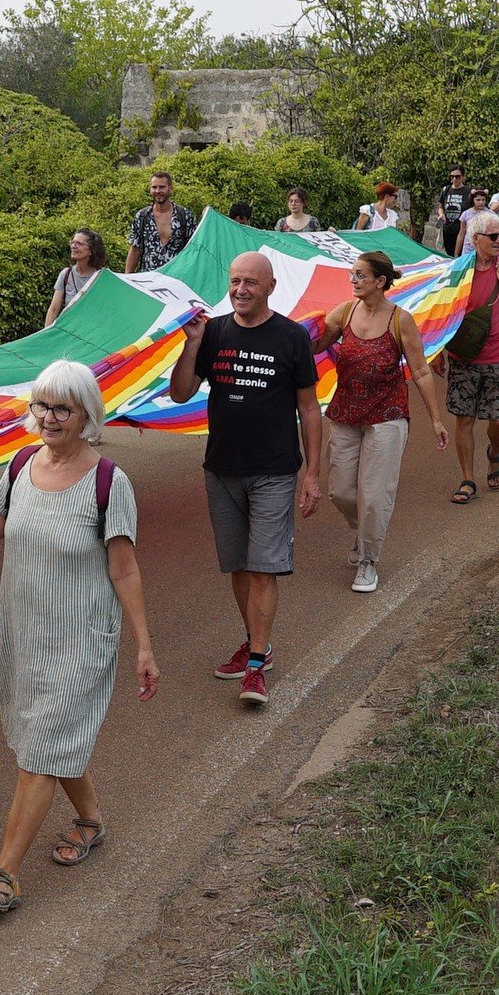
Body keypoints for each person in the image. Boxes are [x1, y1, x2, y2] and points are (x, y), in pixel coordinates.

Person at [0, 361, 158, 915]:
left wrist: (144, 647)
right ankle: (91, 820)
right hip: (26, 630)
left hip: (81, 638)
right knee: (50, 735)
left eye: (63, 408)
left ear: (87, 415)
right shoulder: (19, 465)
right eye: (41, 406)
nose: (49, 418)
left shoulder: (110, 482)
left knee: (39, 747)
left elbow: (125, 569)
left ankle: (5, 872)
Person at [167, 253, 322, 706]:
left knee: (262, 567)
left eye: (250, 283)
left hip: (274, 470)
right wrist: (192, 342)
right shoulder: (213, 332)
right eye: (235, 281)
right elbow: (180, 393)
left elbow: (309, 409)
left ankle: (255, 665)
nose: (240, 290)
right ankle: (259, 643)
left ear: (270, 286)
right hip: (221, 469)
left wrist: (312, 473)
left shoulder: (291, 337)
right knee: (237, 565)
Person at [311, 252, 449, 594]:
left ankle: (368, 560)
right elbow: (313, 345)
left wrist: (435, 419)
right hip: (345, 413)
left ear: (380, 281)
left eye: (360, 275)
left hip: (387, 415)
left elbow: (419, 370)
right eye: (352, 274)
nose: (353, 280)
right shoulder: (344, 313)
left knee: (375, 494)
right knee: (340, 490)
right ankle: (364, 532)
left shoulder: (400, 320)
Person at [436, 212, 499, 501]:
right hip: (463, 357)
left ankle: (495, 451)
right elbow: (443, 312)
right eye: (494, 236)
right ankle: (467, 480)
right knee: (464, 418)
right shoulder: (458, 270)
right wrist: (437, 350)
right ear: (476, 239)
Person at [125, 172, 196, 273]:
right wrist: (127, 278)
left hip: (177, 279)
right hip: (148, 281)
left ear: (170, 189)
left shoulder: (185, 215)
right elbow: (135, 250)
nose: (157, 191)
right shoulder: (142, 216)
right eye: (154, 187)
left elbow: (193, 250)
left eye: (162, 187)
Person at [45, 229, 108, 326]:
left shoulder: (101, 277)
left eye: (79, 243)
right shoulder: (66, 274)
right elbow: (53, 309)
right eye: (72, 242)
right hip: (68, 329)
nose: (73, 246)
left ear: (91, 251)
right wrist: (46, 336)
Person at [431, 166, 474, 255]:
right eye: (452, 176)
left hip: (463, 231)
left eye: (457, 176)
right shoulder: (446, 190)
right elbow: (440, 207)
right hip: (448, 230)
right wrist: (441, 214)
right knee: (450, 255)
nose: (455, 179)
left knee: (461, 255)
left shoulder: (469, 191)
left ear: (463, 177)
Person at [453, 186, 492, 257]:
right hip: (468, 247)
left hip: (484, 248)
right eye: (478, 200)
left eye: (483, 200)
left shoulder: (490, 214)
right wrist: (456, 253)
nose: (481, 202)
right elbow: (461, 234)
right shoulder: (466, 214)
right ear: (473, 200)